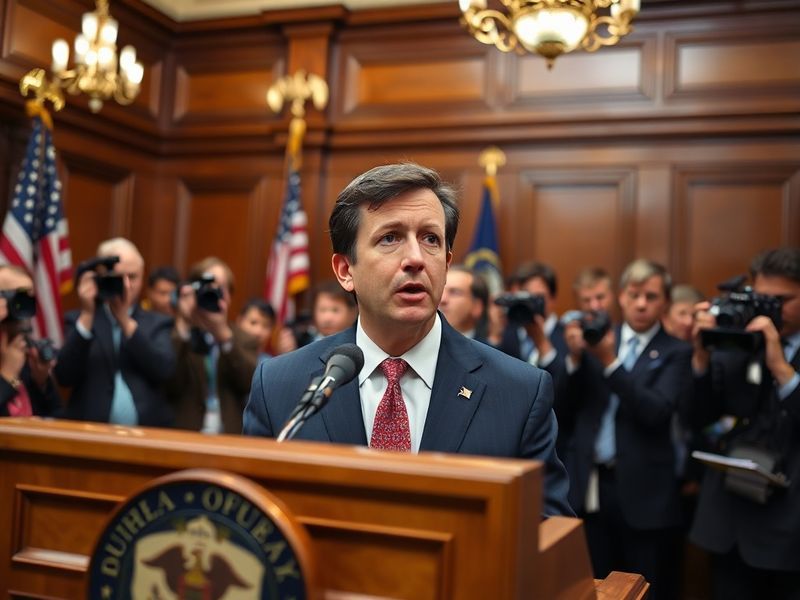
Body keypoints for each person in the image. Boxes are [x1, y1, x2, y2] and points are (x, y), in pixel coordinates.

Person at [243, 162, 572, 517]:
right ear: (345, 270)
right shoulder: (280, 387)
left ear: (446, 264)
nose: (415, 258)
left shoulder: (519, 392)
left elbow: (548, 541)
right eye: (390, 237)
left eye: (430, 239)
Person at [559, 259, 692, 600]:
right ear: (621, 297)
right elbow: (565, 409)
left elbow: (656, 412)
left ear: (664, 301)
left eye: (651, 296)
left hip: (647, 496)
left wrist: (610, 363)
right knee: (594, 588)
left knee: (643, 589)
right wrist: (574, 360)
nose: (642, 304)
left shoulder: (677, 351)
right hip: (593, 488)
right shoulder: (600, 338)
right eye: (634, 295)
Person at [689, 247, 800, 599]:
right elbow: (696, 420)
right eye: (764, 300)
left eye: (782, 300)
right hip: (729, 524)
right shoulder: (736, 341)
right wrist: (701, 358)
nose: (772, 310)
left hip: (790, 532)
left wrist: (782, 369)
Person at [54, 238, 176, 426]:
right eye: (119, 277)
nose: (126, 285)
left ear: (142, 278)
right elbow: (64, 375)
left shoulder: (158, 323)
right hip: (89, 434)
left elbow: (164, 371)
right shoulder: (79, 320)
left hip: (147, 435)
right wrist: (88, 314)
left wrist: (125, 321)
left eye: (133, 277)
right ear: (100, 276)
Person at [166, 257, 260, 434]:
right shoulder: (176, 333)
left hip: (229, 436)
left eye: (221, 288)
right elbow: (170, 382)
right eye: (208, 286)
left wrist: (223, 335)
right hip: (185, 434)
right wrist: (184, 324)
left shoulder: (244, 338)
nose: (214, 292)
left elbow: (251, 384)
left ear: (230, 296)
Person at [0, 265, 60, 417]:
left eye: (29, 297)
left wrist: (40, 382)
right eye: (18, 297)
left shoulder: (23, 348)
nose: (24, 305)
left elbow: (56, 416)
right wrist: (8, 376)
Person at [438, 265, 489, 341]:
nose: (442, 299)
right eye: (440, 291)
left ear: (477, 307)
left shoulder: (489, 352)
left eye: (454, 292)